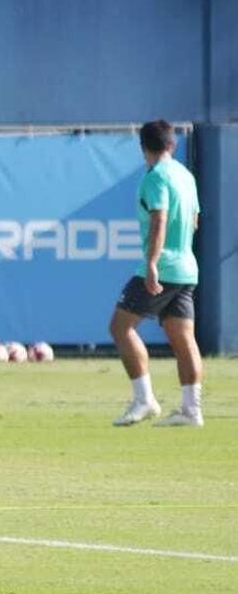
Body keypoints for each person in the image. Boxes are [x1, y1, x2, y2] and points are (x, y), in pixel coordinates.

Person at [110, 120, 203, 428]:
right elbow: (194, 222)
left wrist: (152, 262)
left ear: (143, 148)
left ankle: (144, 400)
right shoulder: (186, 176)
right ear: (171, 145)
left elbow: (159, 220)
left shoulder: (155, 177)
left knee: (120, 328)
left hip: (161, 267)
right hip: (187, 268)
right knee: (183, 337)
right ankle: (191, 410)